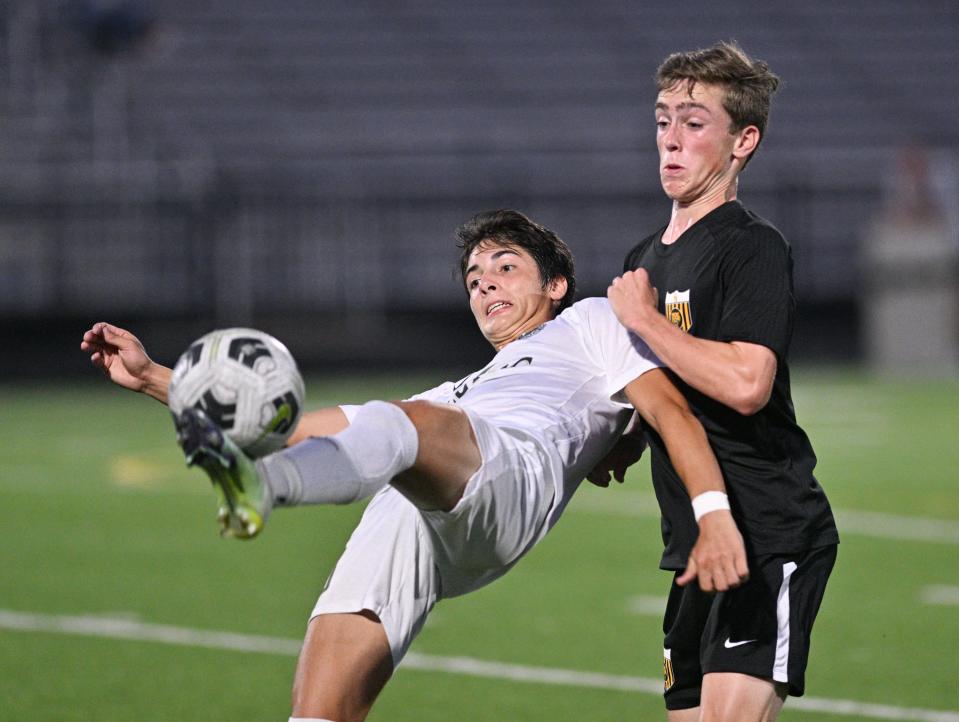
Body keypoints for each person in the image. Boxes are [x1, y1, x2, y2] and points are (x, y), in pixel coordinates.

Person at [82, 209, 748, 722]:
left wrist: (710, 514)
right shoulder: (461, 390)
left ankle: (264, 486)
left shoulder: (593, 321)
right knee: (321, 707)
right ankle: (263, 477)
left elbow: (668, 411)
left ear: (556, 284)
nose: (484, 280)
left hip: (513, 473)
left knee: (398, 423)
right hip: (437, 492)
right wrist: (152, 379)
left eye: (504, 267)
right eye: (473, 278)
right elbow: (303, 428)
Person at [607, 42, 839, 721]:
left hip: (766, 533)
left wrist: (646, 322)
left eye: (693, 122)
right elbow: (652, 386)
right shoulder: (642, 257)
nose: (670, 140)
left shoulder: (751, 246)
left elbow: (746, 382)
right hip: (692, 543)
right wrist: (620, 441)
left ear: (744, 140)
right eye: (661, 120)